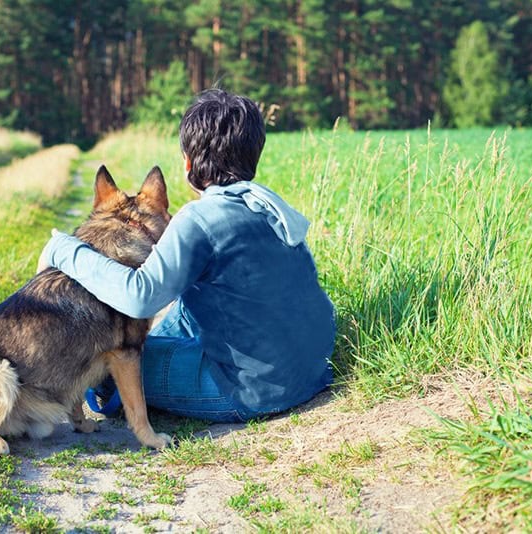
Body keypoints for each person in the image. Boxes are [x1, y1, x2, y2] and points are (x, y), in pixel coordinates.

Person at [38, 89, 335, 423]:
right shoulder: (270, 206)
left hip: (248, 391)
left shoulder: (199, 219)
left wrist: (68, 250)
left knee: (107, 366)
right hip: (311, 371)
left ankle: (122, 393)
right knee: (187, 299)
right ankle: (165, 357)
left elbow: (139, 297)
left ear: (188, 162)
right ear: (254, 154)